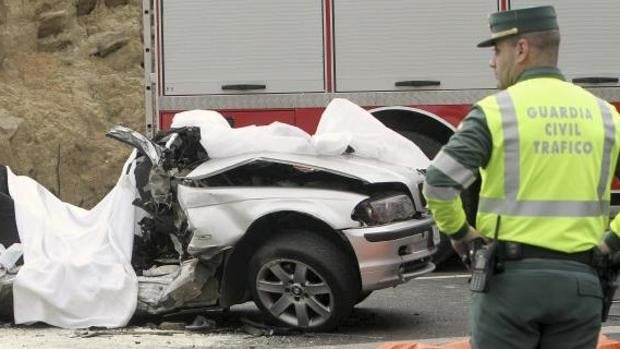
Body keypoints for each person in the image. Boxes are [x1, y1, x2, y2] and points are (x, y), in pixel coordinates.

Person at [422, 5, 620, 349]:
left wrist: (461, 233)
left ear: (522, 49)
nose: (492, 61)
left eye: (497, 50)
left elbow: (438, 183)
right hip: (581, 286)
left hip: (509, 287)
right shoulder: (605, 116)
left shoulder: (495, 111)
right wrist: (612, 242)